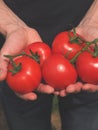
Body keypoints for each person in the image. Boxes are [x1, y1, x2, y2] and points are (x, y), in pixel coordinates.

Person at [0, 0, 98, 130]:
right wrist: (10, 24)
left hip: (85, 38)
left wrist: (94, 20)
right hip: (19, 49)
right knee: (27, 119)